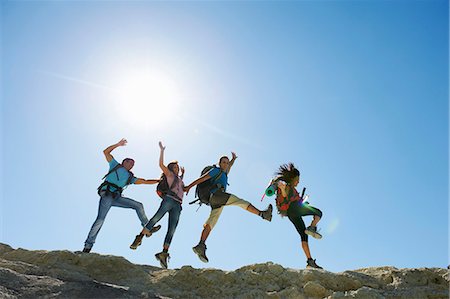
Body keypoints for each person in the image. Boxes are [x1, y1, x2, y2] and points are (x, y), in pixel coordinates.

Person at [184, 152, 273, 263]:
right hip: (216, 195)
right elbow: (201, 179)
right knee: (240, 201)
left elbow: (230, 166)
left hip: (217, 202)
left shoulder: (225, 173)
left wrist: (233, 159)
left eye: (227, 163)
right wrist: (188, 187)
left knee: (211, 223)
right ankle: (263, 214)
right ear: (219, 163)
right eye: (224, 162)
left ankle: (200, 245)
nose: (226, 164)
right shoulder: (215, 171)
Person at [83, 138, 161, 253]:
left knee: (138, 205)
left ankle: (148, 227)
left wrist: (158, 181)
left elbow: (144, 181)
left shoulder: (130, 177)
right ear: (124, 162)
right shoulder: (115, 165)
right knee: (100, 220)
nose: (131, 165)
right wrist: (118, 144)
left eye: (133, 164)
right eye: (130, 162)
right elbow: (106, 152)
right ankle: (88, 246)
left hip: (117, 197)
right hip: (107, 196)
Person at [129, 141, 185, 269]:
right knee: (156, 217)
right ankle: (140, 237)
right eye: (175, 167)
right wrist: (162, 151)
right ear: (171, 169)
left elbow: (182, 188)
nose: (177, 169)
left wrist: (183, 175)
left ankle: (164, 253)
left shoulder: (180, 180)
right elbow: (160, 164)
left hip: (178, 205)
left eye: (178, 167)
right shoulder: (169, 175)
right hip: (169, 199)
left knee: (172, 228)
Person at [274, 163, 323, 269]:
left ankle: (310, 261)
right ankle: (312, 227)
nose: (298, 182)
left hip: (291, 214)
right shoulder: (287, 186)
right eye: (297, 180)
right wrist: (282, 189)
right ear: (292, 179)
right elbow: (285, 194)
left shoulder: (291, 188)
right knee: (318, 213)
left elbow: (288, 198)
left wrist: (304, 204)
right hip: (295, 209)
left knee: (303, 235)